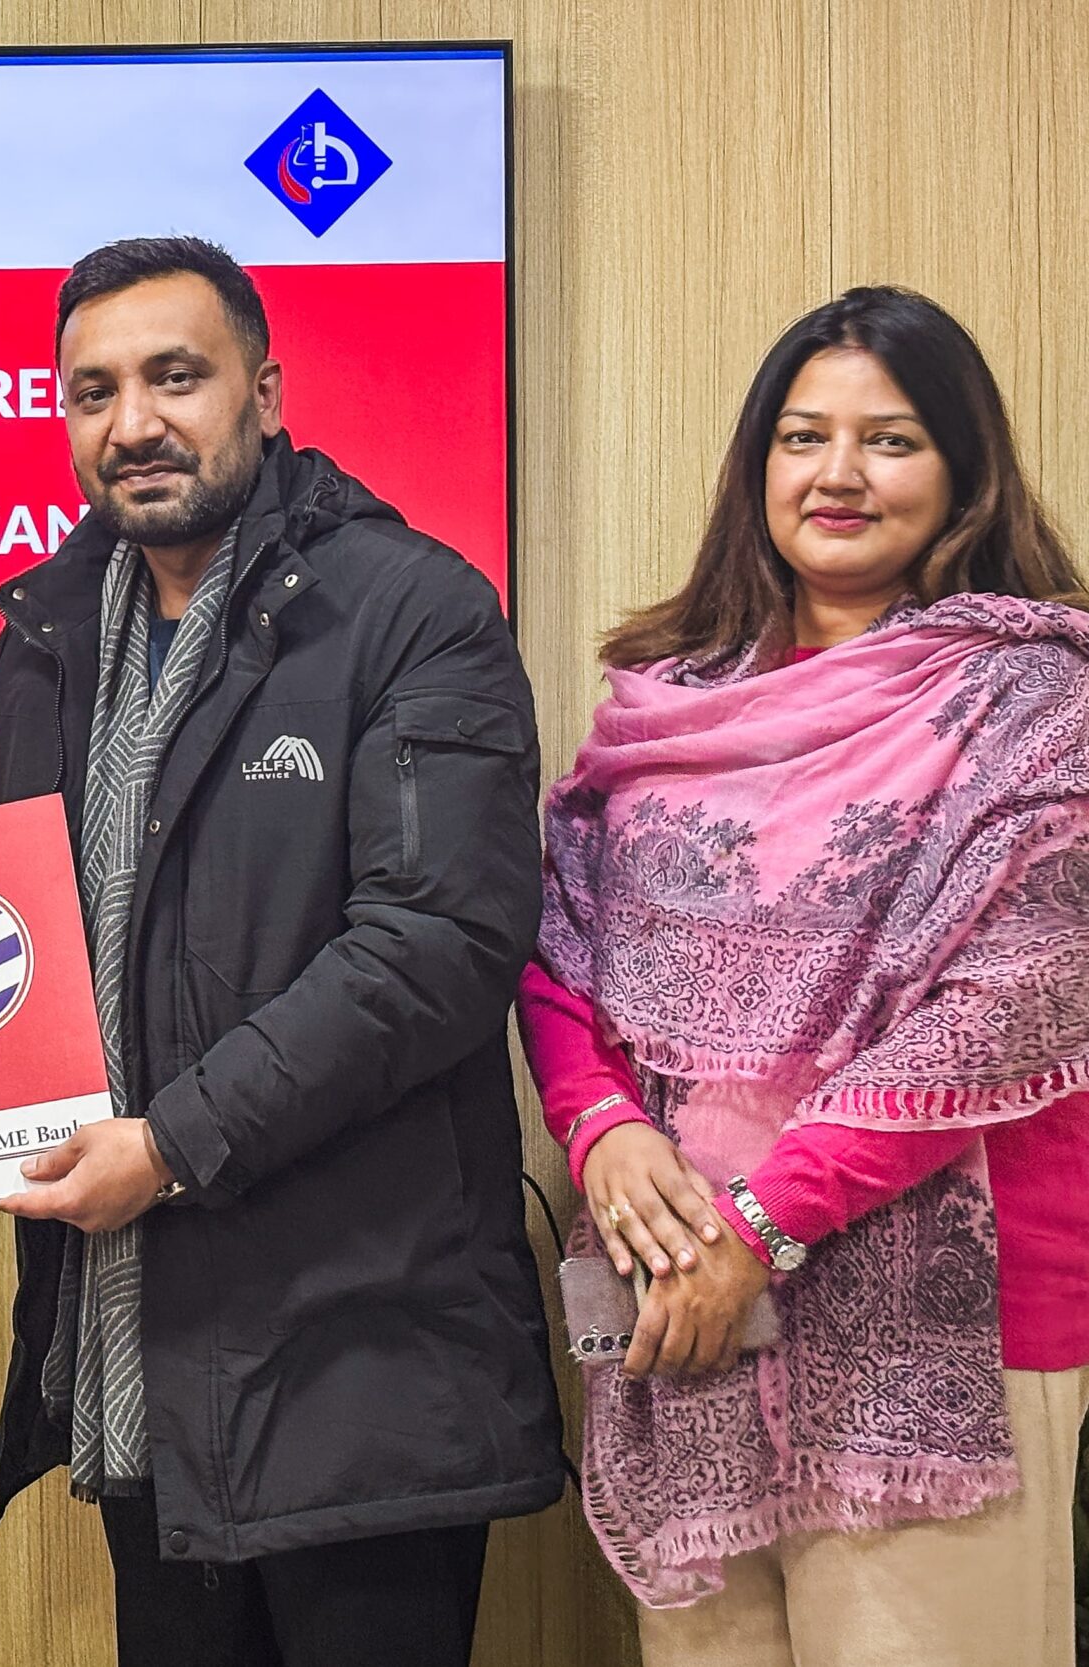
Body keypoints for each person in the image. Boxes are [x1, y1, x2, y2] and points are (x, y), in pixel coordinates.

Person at [0, 236, 566, 1666]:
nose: (134, 422)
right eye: (93, 391)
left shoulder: (411, 611)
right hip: (144, 1368)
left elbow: (437, 948)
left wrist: (168, 1147)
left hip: (364, 1367)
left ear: (264, 395)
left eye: (176, 378)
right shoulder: (52, 638)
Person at [522, 285, 1089, 1666]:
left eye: (890, 440)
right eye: (802, 436)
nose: (838, 473)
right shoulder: (670, 703)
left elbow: (1001, 1011)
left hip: (946, 1335)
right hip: (679, 1310)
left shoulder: (1042, 706)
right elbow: (560, 946)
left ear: (963, 468)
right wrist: (601, 1130)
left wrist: (759, 1229)